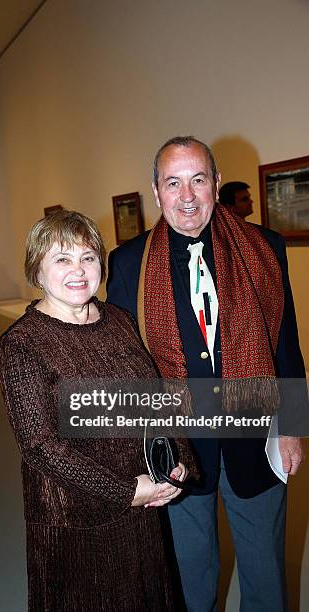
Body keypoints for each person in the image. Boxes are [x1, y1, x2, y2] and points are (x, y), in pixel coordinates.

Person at [107, 136, 306, 611]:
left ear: (215, 184)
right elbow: (122, 363)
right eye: (173, 183)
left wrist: (293, 429)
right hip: (177, 443)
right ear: (156, 192)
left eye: (198, 179)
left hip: (255, 436)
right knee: (190, 575)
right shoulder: (129, 262)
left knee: (265, 573)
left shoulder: (265, 248)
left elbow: (287, 348)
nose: (188, 195)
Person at [0, 209, 196, 612]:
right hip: (78, 516)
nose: (79, 270)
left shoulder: (119, 318)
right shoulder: (21, 344)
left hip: (142, 501)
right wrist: (124, 492)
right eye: (62, 259)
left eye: (88, 257)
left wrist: (176, 458)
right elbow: (40, 446)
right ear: (37, 271)